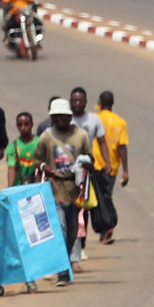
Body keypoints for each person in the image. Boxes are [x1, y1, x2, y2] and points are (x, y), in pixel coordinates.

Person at [33, 99, 88, 286]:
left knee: (73, 231)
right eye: (55, 117)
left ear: (69, 117)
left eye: (62, 117)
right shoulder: (47, 136)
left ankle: (64, 263)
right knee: (61, 229)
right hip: (54, 187)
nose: (59, 120)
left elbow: (91, 159)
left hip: (74, 189)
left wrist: (85, 164)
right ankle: (62, 270)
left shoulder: (81, 136)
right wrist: (43, 167)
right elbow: (36, 159)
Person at [93, 90, 131, 244]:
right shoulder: (120, 122)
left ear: (100, 103)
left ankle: (108, 225)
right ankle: (107, 228)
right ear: (112, 103)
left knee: (101, 198)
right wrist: (126, 170)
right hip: (113, 167)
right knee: (106, 196)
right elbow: (122, 146)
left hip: (96, 164)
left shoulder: (95, 118)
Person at [5, 112, 39, 188]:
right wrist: (10, 188)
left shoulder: (40, 143)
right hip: (19, 186)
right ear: (17, 126)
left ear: (32, 125)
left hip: (37, 186)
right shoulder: (12, 147)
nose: (23, 128)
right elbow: (11, 169)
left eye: (26, 124)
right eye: (20, 125)